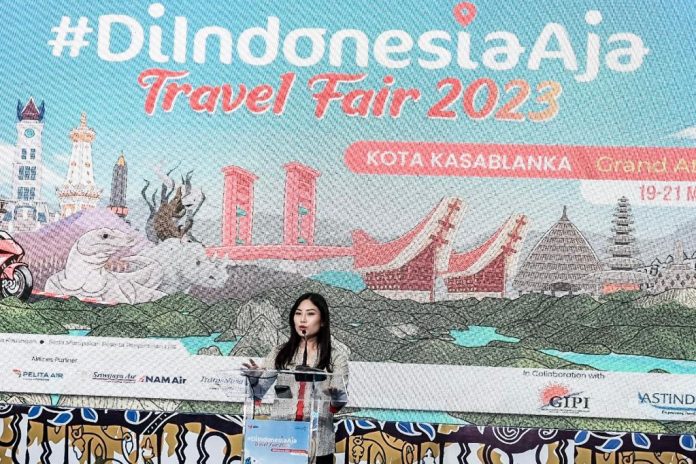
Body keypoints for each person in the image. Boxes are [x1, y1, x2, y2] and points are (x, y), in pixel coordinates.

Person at [242, 292, 349, 464]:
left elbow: (338, 401)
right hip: (281, 440)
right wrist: (254, 380)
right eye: (298, 313)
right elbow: (258, 392)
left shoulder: (336, 358)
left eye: (310, 314)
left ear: (322, 321)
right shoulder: (279, 353)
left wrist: (337, 398)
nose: (303, 319)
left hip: (318, 443)